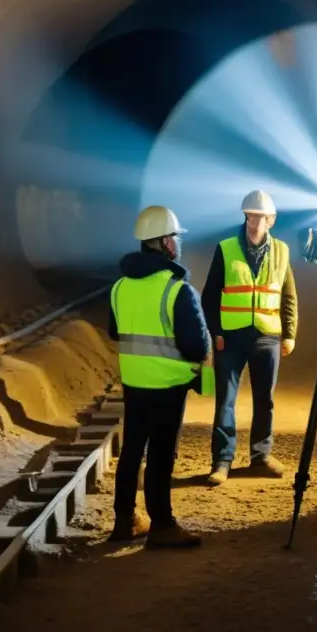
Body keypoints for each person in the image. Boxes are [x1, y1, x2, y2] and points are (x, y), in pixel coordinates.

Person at [107, 205, 213, 548]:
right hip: (168, 384)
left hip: (134, 382)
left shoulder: (120, 287)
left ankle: (124, 520)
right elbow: (197, 347)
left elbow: (114, 331)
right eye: (175, 238)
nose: (177, 244)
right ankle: (162, 525)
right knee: (161, 454)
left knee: (132, 450)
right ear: (166, 242)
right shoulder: (178, 290)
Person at [202, 189, 298, 485]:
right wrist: (216, 331)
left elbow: (288, 296)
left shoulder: (282, 251)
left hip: (268, 336)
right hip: (230, 337)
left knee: (264, 400)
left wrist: (289, 333)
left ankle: (261, 456)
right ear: (245, 217)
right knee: (225, 401)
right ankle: (222, 461)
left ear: (272, 220)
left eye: (260, 218)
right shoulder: (226, 248)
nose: (254, 223)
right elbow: (209, 295)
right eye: (250, 217)